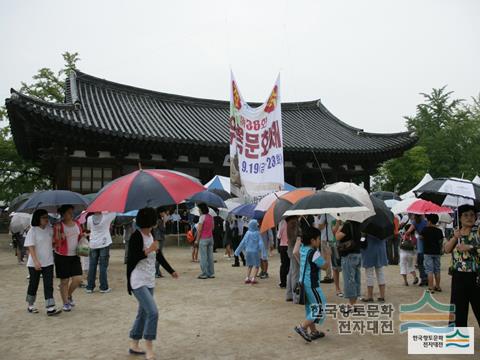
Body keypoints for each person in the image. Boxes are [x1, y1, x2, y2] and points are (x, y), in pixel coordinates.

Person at [127, 207, 178, 360]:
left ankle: (134, 343)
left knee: (143, 313)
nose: (156, 221)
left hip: (149, 280)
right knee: (153, 312)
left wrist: (171, 271)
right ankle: (149, 347)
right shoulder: (136, 236)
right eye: (154, 219)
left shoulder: (152, 234)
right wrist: (149, 249)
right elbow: (132, 258)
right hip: (137, 280)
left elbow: (159, 255)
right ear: (150, 221)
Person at [293, 227, 331, 342]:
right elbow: (325, 266)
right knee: (320, 307)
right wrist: (328, 255)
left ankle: (313, 331)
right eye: (318, 239)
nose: (319, 241)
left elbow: (295, 252)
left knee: (311, 307)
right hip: (312, 284)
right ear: (313, 240)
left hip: (303, 283)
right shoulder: (314, 253)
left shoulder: (303, 249)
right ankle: (302, 327)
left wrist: (299, 239)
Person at [444, 205, 480, 327]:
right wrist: (455, 237)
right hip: (458, 277)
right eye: (465, 215)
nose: (469, 217)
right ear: (459, 217)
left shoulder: (478, 232)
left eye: (472, 215)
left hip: (476, 277)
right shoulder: (455, 232)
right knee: (458, 310)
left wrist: (470, 247)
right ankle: (458, 341)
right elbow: (447, 249)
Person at [24, 209, 62, 316]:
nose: (46, 219)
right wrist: (36, 262)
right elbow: (30, 247)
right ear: (38, 218)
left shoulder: (50, 229)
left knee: (48, 285)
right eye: (44, 217)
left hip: (48, 261)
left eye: (47, 217)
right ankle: (30, 305)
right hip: (34, 263)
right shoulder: (33, 231)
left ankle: (50, 308)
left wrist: (58, 233)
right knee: (33, 284)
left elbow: (54, 243)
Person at [53, 204, 83, 312]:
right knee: (64, 280)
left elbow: (80, 237)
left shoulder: (78, 224)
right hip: (61, 256)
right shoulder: (58, 226)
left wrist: (83, 236)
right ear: (63, 214)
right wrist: (59, 238)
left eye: (72, 212)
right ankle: (65, 302)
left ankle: (69, 295)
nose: (71, 214)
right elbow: (54, 243)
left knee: (78, 279)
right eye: (69, 212)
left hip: (75, 255)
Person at [335, 220, 362, 314]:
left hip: (348, 255)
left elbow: (337, 237)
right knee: (356, 279)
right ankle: (354, 304)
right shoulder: (359, 224)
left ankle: (351, 305)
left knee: (349, 280)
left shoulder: (347, 225)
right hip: (358, 254)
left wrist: (338, 229)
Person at [85, 211, 116, 293]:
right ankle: (103, 287)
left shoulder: (89, 218)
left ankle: (90, 287)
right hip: (104, 243)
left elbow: (88, 228)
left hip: (93, 243)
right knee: (103, 266)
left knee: (92, 265)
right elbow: (114, 213)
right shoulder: (107, 216)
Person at [234, 220, 267, 284]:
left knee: (249, 265)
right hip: (256, 252)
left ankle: (247, 277)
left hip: (248, 251)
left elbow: (242, 243)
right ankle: (253, 278)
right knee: (257, 265)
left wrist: (237, 251)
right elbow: (261, 243)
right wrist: (264, 253)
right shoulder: (258, 233)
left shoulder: (247, 233)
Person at [360, 234, 388, 303]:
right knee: (380, 273)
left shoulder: (367, 227)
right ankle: (382, 296)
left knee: (369, 274)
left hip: (369, 249)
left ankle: (370, 297)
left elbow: (362, 238)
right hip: (380, 249)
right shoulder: (383, 227)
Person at [421, 214, 444, 293]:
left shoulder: (425, 229)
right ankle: (437, 286)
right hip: (437, 252)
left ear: (429, 221)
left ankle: (430, 287)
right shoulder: (439, 230)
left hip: (428, 252)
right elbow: (441, 241)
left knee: (429, 270)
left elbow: (420, 237)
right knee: (437, 270)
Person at [405, 214, 428, 286]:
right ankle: (428, 278)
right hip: (428, 243)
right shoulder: (426, 222)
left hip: (420, 243)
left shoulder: (415, 222)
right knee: (427, 261)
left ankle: (423, 278)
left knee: (420, 262)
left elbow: (408, 232)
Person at [196, 203, 215, 279]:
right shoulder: (211, 217)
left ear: (201, 209)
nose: (198, 210)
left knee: (203, 257)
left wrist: (196, 240)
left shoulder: (201, 217)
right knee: (210, 256)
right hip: (210, 238)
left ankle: (204, 273)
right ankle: (211, 273)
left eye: (199, 209)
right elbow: (213, 228)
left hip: (203, 239)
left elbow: (199, 230)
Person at [314, 215, 334, 284]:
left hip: (325, 239)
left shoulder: (324, 214)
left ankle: (328, 276)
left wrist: (322, 223)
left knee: (326, 258)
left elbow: (320, 227)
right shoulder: (334, 214)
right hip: (332, 238)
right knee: (333, 257)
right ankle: (333, 275)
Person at [285, 216, 300, 302]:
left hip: (291, 248)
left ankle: (289, 294)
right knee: (295, 273)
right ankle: (296, 297)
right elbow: (294, 237)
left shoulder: (290, 221)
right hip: (294, 248)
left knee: (291, 272)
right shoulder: (293, 222)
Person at [153, 207, 167, 278]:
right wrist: (164, 221)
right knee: (159, 256)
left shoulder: (156, 220)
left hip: (156, 238)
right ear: (160, 213)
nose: (165, 214)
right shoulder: (160, 221)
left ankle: (158, 272)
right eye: (163, 212)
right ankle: (156, 272)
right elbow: (163, 230)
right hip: (160, 239)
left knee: (158, 255)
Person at [277, 219, 290, 288]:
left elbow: (279, 235)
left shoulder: (282, 222)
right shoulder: (294, 221)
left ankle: (283, 282)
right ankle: (290, 282)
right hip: (291, 245)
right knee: (291, 265)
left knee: (284, 265)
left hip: (283, 246)